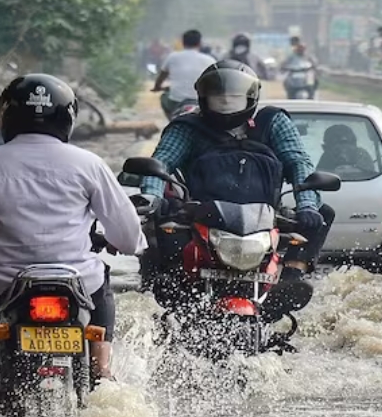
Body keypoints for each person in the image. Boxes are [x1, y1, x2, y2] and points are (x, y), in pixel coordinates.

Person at [0, 74, 146, 401]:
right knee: (102, 278)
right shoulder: (89, 164)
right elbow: (127, 238)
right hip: (77, 283)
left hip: (2, 282)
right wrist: (131, 243)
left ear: (6, 115)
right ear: (68, 117)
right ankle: (101, 372)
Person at [138, 60, 332, 314]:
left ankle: (292, 275)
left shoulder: (273, 122)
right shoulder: (187, 127)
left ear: (250, 98)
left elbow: (298, 161)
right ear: (204, 98)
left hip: (265, 218)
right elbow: (161, 163)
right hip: (201, 216)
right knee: (158, 220)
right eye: (219, 99)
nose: (226, 105)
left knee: (323, 213)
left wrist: (307, 204)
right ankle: (172, 284)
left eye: (233, 99)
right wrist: (150, 196)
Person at [152, 29, 217, 118]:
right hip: (200, 100)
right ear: (199, 43)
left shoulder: (172, 57)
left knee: (164, 97)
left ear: (182, 42)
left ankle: (172, 121)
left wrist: (157, 87)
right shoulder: (210, 60)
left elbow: (162, 76)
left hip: (176, 101)